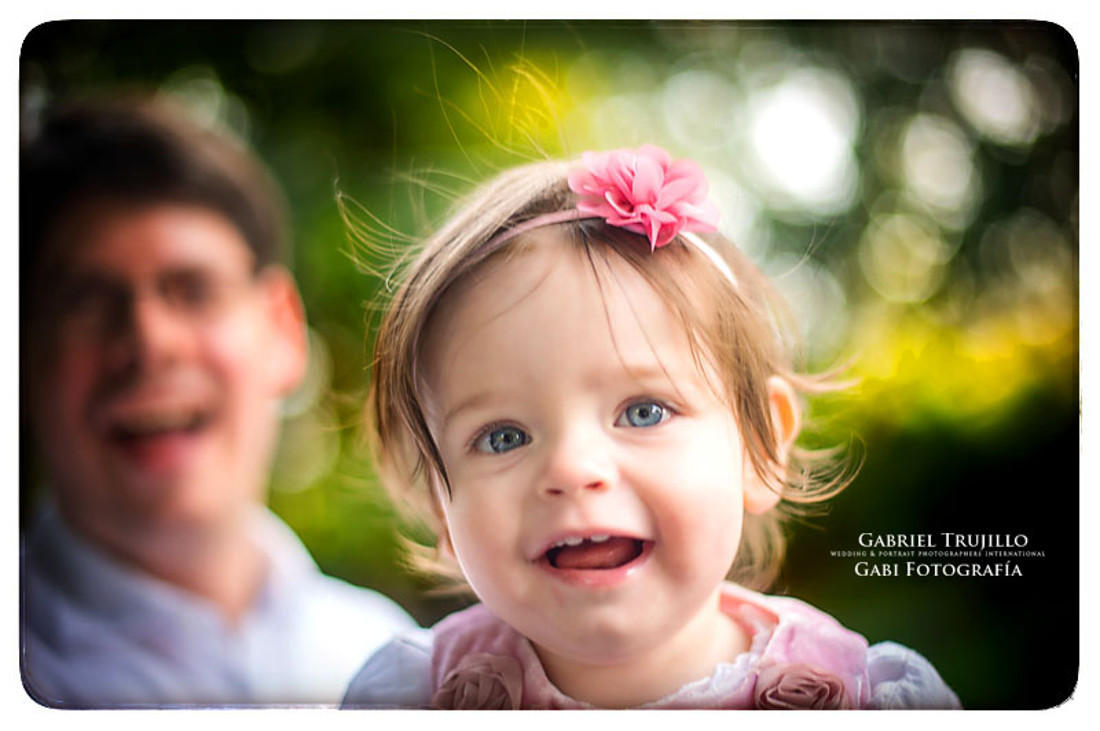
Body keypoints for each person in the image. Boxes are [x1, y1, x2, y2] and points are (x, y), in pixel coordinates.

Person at [341, 145, 962, 709]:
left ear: (760, 445)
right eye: (503, 436)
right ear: (441, 508)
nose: (573, 469)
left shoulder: (866, 700)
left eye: (644, 411)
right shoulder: (411, 700)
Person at [20, 94, 414, 708]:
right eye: (85, 302)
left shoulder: (397, 661)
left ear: (283, 331)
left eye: (194, 290)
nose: (148, 342)